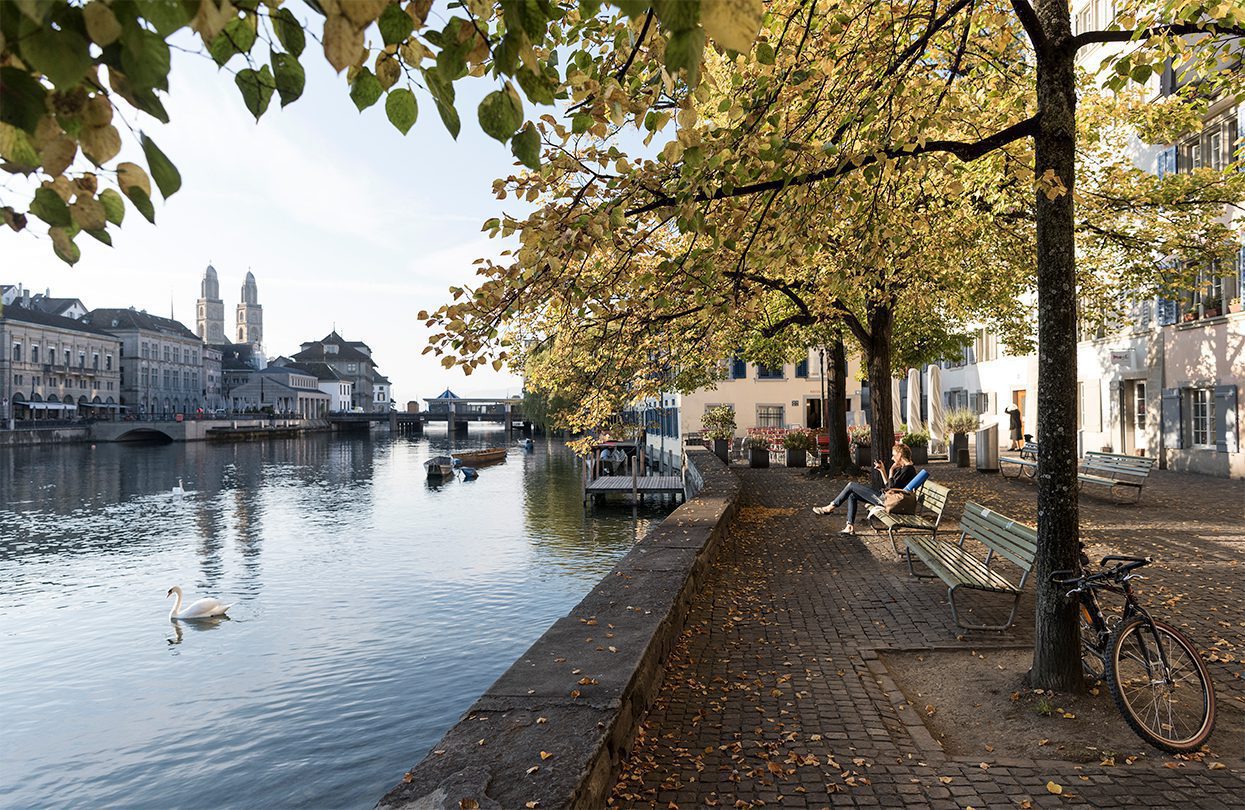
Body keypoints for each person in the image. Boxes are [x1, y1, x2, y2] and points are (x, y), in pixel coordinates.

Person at [812, 443, 919, 535]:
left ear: (900, 455)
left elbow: (890, 487)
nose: (892, 458)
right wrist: (882, 470)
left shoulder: (908, 469)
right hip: (887, 497)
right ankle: (849, 527)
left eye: (893, 455)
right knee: (852, 494)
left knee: (851, 485)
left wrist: (891, 470)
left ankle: (830, 507)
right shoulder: (905, 469)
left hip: (887, 501)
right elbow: (889, 487)